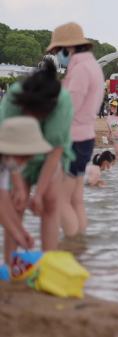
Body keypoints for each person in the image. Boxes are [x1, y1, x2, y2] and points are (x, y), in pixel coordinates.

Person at [0, 60, 74, 262]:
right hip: (12, 153)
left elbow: (54, 152)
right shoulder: (15, 98)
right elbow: (7, 150)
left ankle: (47, 265)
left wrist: (39, 194)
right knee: (16, 201)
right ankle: (11, 265)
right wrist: (17, 183)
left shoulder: (62, 102)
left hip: (48, 155)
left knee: (50, 200)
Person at [46, 22, 106, 238]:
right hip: (85, 138)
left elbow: (69, 108)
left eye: (56, 51)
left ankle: (72, 247)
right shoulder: (91, 66)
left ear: (67, 48)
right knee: (75, 199)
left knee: (59, 200)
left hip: (73, 139)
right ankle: (81, 249)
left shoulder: (80, 69)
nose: (56, 55)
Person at [0, 117, 53, 256]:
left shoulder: (7, 162)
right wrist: (17, 234)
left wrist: (21, 231)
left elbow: (3, 198)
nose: (26, 161)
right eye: (24, 156)